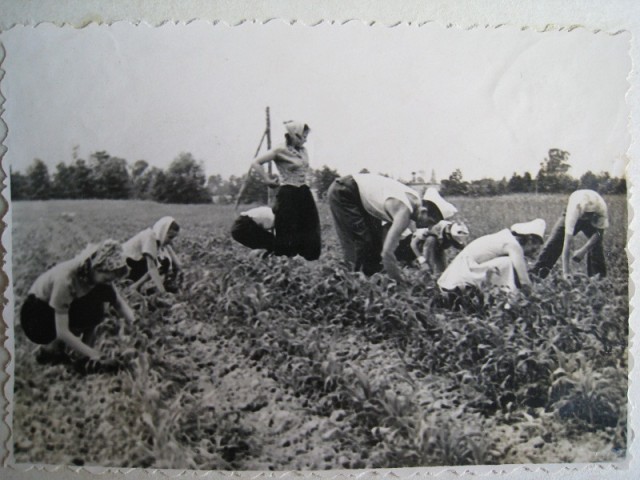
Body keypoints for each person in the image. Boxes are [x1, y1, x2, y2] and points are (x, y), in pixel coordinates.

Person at [20, 239, 135, 364]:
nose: (109, 283)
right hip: (37, 313)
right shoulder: (66, 279)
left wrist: (136, 328)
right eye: (107, 279)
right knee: (89, 311)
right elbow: (62, 331)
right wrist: (96, 355)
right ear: (97, 268)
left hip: (56, 306)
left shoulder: (94, 275)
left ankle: (83, 356)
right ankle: (49, 349)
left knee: (97, 309)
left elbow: (118, 303)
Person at [328, 175, 456, 282]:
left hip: (358, 197)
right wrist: (400, 283)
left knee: (374, 245)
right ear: (424, 211)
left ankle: (368, 282)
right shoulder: (404, 212)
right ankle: (345, 283)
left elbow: (385, 239)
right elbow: (387, 253)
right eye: (430, 222)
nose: (428, 226)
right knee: (361, 242)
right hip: (345, 191)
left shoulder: (414, 199)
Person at [241, 121, 321, 261]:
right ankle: (286, 260)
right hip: (288, 192)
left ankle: (306, 259)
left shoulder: (303, 150)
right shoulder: (280, 149)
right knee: (287, 226)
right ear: (293, 135)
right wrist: (267, 179)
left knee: (310, 225)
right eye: (303, 136)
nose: (305, 140)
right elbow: (256, 163)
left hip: (304, 192)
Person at [437, 219, 546, 308]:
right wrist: (535, 302)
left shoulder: (503, 237)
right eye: (534, 247)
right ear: (530, 240)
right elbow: (524, 281)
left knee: (505, 265)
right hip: (458, 284)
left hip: (451, 282)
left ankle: (497, 302)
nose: (534, 251)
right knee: (507, 263)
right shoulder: (513, 245)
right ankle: (508, 306)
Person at [532, 189, 609, 279]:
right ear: (581, 209)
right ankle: (536, 275)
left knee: (596, 246)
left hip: (594, 217)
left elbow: (599, 233)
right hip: (573, 210)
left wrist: (583, 250)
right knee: (555, 242)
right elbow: (567, 241)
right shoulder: (574, 209)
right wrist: (566, 272)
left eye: (590, 214)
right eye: (585, 214)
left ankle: (598, 278)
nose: (586, 217)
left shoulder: (601, 209)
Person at [123, 216, 182, 293]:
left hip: (136, 264)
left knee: (164, 263)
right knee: (158, 264)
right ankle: (134, 287)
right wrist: (163, 292)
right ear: (162, 232)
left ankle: (136, 286)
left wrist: (178, 274)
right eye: (170, 237)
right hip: (125, 265)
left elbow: (177, 263)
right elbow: (151, 267)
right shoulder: (150, 237)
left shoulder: (159, 238)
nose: (171, 241)